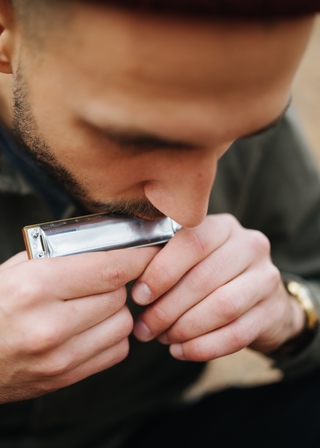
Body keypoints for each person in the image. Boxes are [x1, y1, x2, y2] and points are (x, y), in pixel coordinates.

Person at [0, 0, 320, 446]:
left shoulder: (230, 92)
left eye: (245, 131)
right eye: (137, 141)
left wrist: (292, 314)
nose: (192, 210)